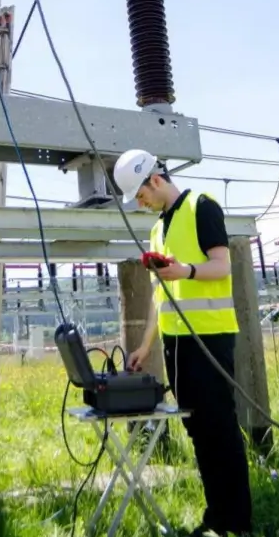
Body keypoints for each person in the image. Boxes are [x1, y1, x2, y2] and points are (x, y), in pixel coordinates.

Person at [113, 149, 253, 537]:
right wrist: (145, 346)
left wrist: (186, 271)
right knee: (199, 431)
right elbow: (161, 296)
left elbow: (222, 265)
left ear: (155, 179)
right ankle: (217, 517)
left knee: (219, 429)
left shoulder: (202, 207)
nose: (140, 203)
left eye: (141, 195)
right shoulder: (157, 230)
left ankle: (237, 523)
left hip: (209, 339)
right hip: (177, 346)